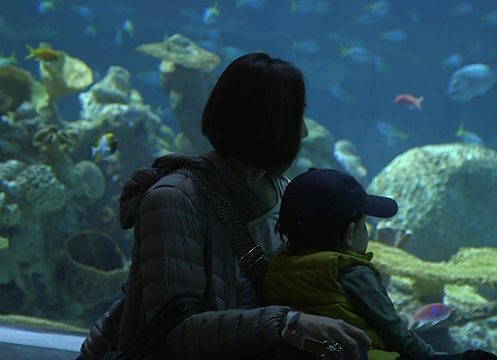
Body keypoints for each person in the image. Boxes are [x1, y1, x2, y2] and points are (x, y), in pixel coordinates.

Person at [77, 53, 371, 360]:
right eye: (296, 118)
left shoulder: (284, 191)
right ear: (267, 124)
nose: (303, 133)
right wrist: (286, 323)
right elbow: (174, 332)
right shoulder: (174, 200)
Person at [265, 168, 497, 360]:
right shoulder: (351, 273)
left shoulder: (275, 268)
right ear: (349, 234)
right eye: (364, 223)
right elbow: (396, 333)